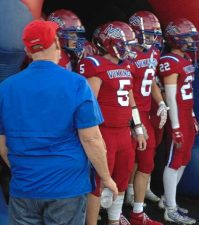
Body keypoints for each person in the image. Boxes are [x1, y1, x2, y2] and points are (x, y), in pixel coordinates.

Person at [0, 20, 118, 225]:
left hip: (24, 187)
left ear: (28, 50)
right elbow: (91, 138)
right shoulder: (76, 84)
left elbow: (2, 145)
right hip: (67, 187)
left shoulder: (6, 88)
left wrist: (23, 170)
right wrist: (106, 177)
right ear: (56, 43)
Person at [77, 21, 147, 225]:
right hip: (104, 131)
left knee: (123, 178)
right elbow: (88, 106)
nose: (130, 50)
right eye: (126, 44)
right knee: (98, 182)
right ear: (111, 44)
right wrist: (93, 136)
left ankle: (114, 221)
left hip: (124, 131)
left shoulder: (126, 65)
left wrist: (139, 128)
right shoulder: (94, 65)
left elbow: (131, 100)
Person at [125, 11, 168, 225]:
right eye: (148, 34)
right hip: (126, 115)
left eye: (154, 35)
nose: (152, 39)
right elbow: (127, 90)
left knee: (146, 164)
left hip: (143, 113)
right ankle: (114, 213)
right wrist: (135, 120)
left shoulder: (152, 53)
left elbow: (150, 81)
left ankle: (138, 212)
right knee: (120, 166)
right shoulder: (126, 53)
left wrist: (160, 103)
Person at [158, 18, 199, 225]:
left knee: (184, 159)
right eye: (188, 37)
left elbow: (187, 94)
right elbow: (171, 97)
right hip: (177, 116)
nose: (192, 41)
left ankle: (168, 199)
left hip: (186, 114)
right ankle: (170, 209)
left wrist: (191, 116)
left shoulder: (185, 60)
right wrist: (175, 126)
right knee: (174, 161)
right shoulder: (170, 61)